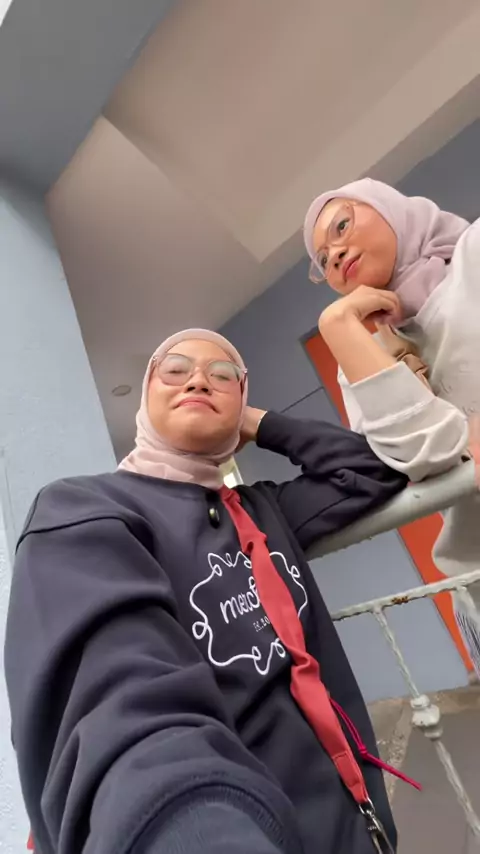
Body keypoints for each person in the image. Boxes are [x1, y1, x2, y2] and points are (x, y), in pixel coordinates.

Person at [4, 328, 410, 854]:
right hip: (238, 826)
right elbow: (121, 717)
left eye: (223, 375)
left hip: (354, 827)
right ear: (145, 395)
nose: (198, 380)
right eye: (175, 370)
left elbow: (372, 472)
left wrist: (257, 422)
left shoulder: (263, 511)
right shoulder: (86, 511)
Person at [303, 178, 480, 673]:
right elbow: (423, 460)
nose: (335, 255)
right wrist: (340, 328)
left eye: (341, 226)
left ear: (390, 209)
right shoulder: (360, 352)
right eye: (323, 261)